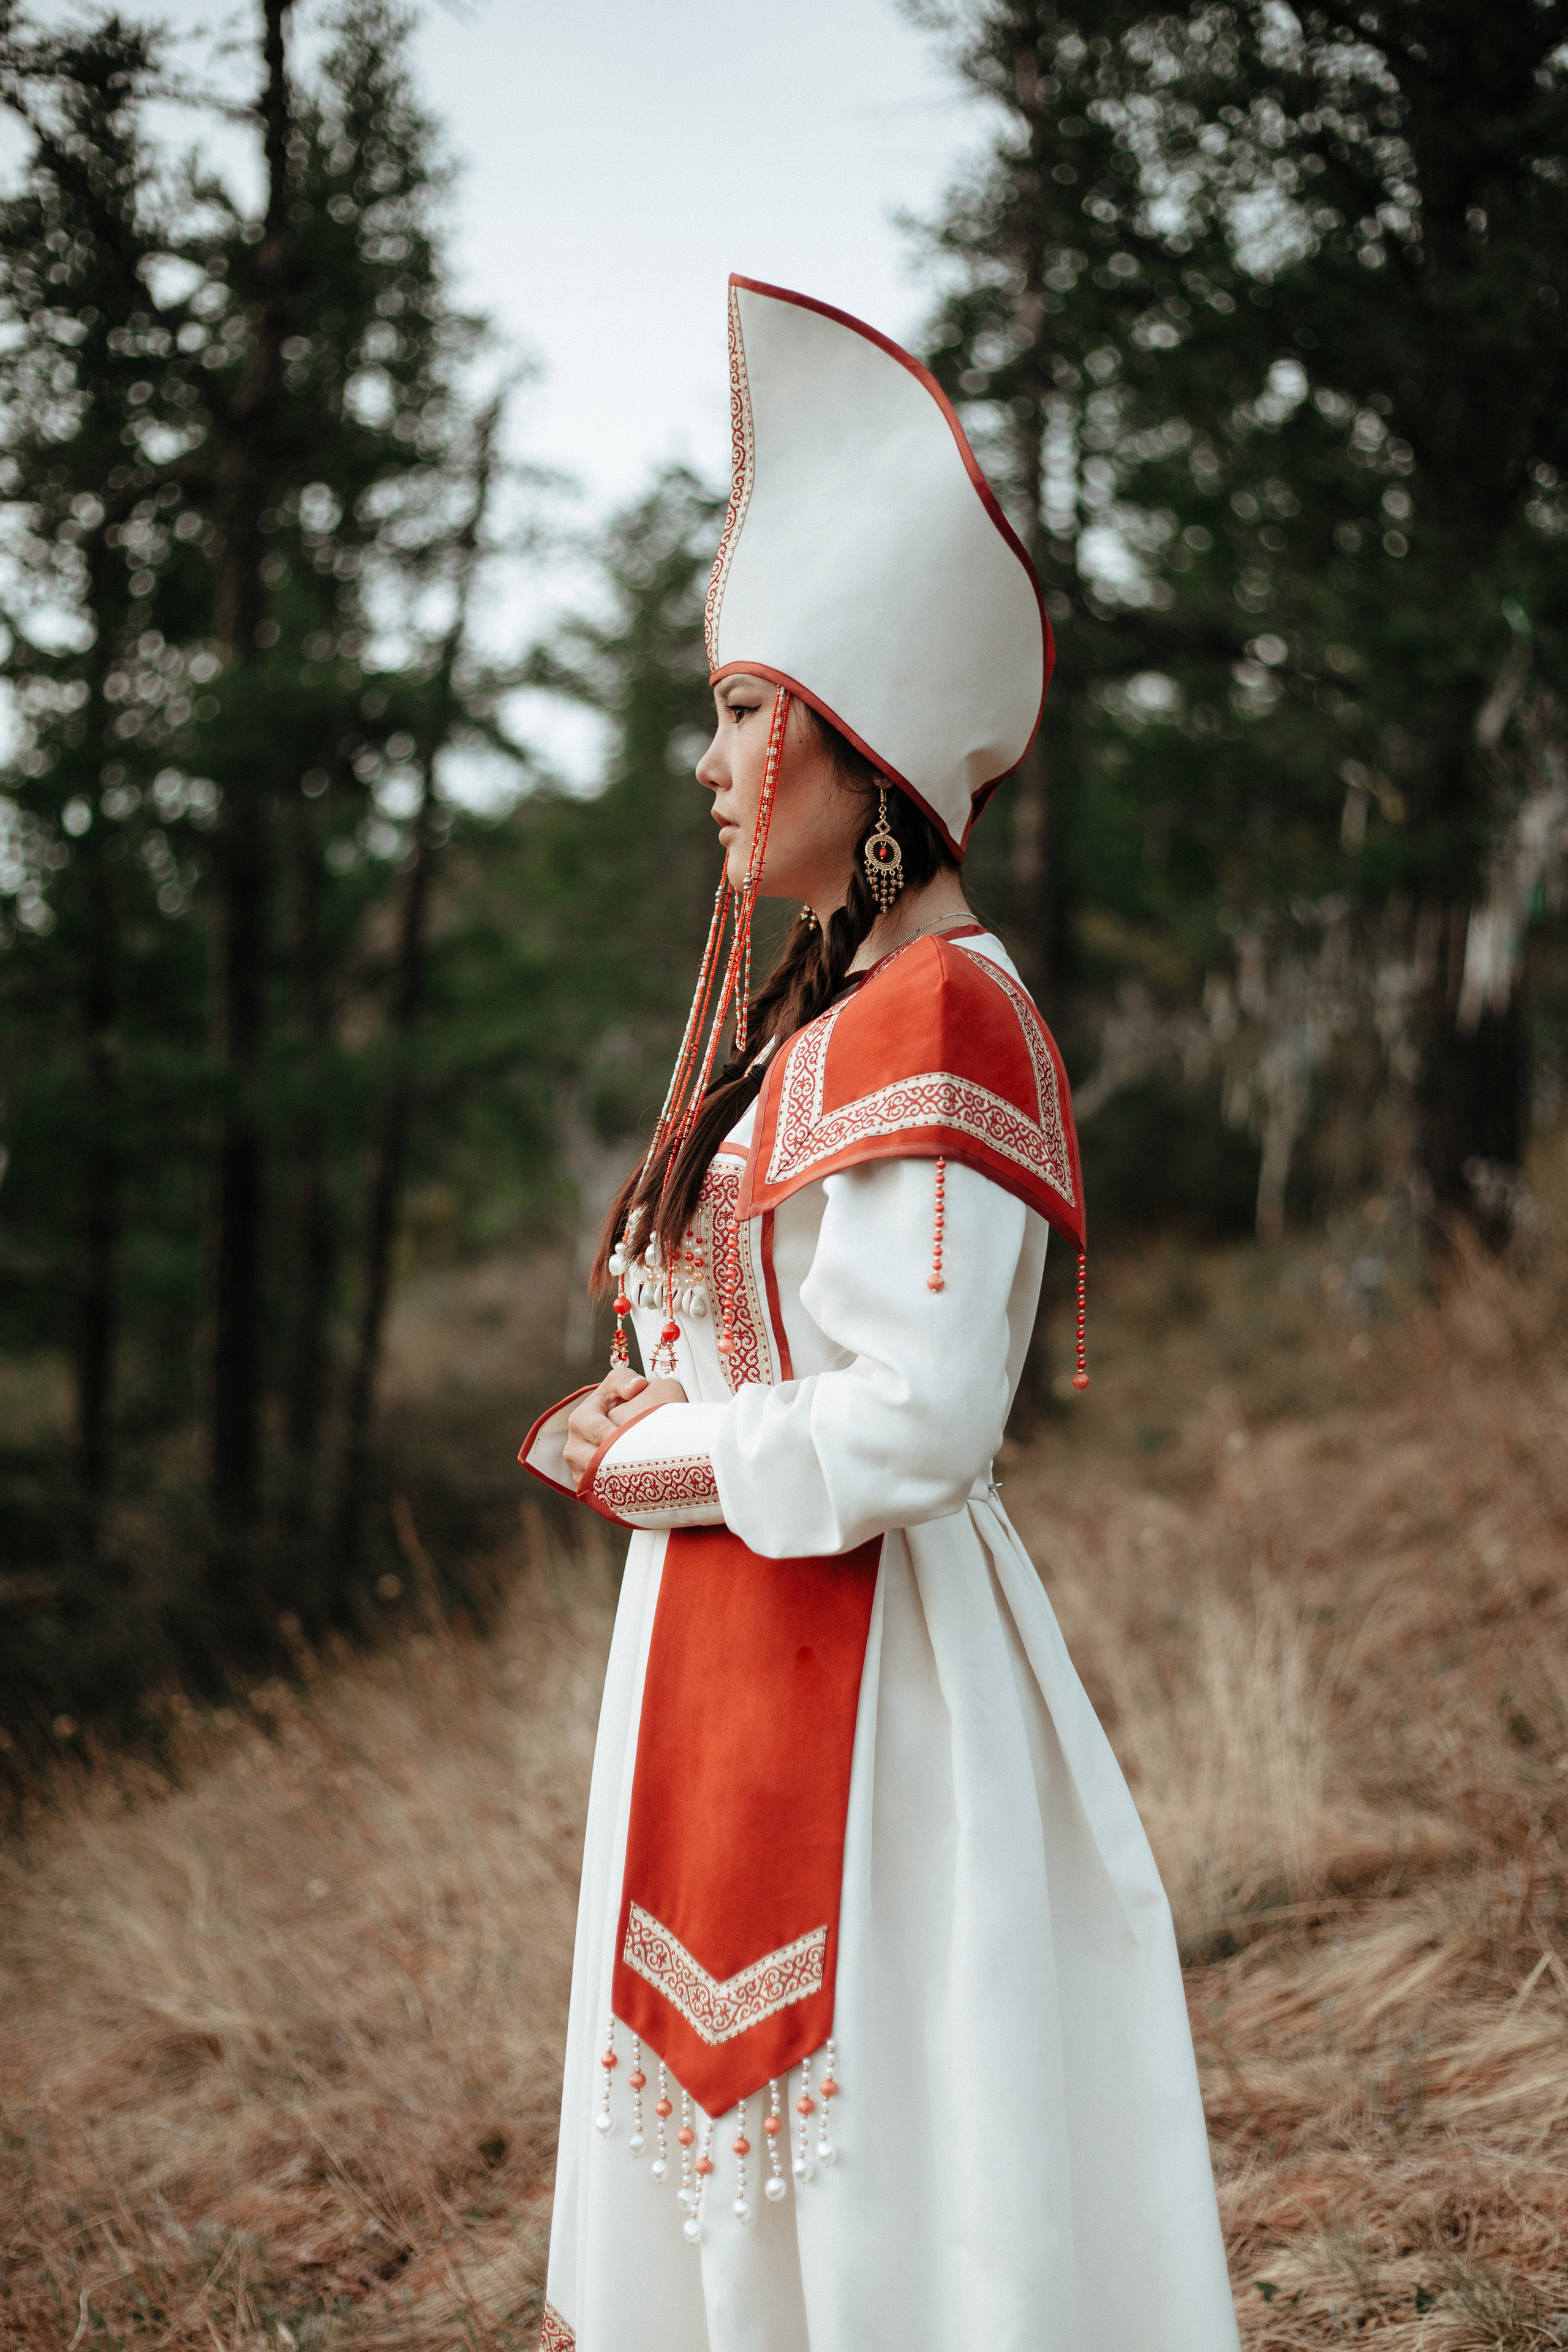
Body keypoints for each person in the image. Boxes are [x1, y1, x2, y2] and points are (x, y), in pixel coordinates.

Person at [521, 276, 1239, 2352]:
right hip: (732, 1640)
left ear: (866, 736)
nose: (712, 761)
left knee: (894, 2170)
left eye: (748, 709)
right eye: (723, 710)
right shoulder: (820, 1017)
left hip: (878, 1681)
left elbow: (920, 1421)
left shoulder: (944, 1007)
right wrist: (676, 1420)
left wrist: (636, 1449)